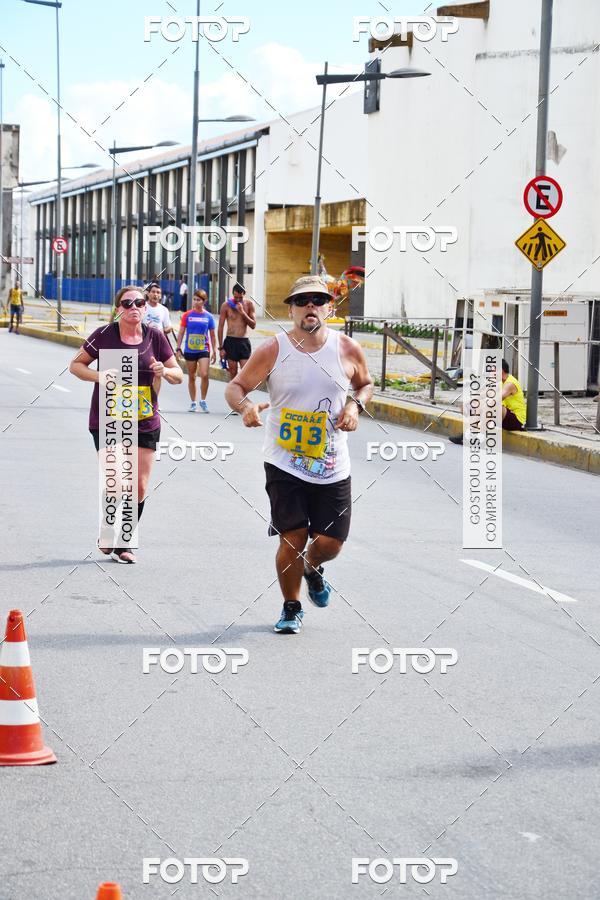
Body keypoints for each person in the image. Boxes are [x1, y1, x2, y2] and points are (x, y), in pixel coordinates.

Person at [225, 275, 373, 634]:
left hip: (332, 464)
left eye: (318, 300)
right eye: (302, 300)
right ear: (290, 309)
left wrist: (354, 406)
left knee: (331, 543)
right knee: (293, 536)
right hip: (284, 460)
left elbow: (366, 384)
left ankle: (312, 567)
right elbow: (236, 386)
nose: (311, 306)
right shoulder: (274, 349)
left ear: (329, 308)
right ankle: (291, 607)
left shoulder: (347, 348)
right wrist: (245, 407)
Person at [69, 286, 183, 563]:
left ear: (146, 307)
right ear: (118, 308)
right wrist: (100, 376)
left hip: (145, 419)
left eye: (139, 302)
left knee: (139, 486)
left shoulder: (154, 336)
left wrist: (164, 371)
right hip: (108, 419)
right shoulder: (104, 335)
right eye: (127, 302)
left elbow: (178, 374)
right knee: (117, 481)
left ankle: (124, 541)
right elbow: (76, 365)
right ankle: (107, 529)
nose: (134, 306)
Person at [449, 358, 526, 444]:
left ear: (500, 371)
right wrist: (469, 402)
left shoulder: (510, 384)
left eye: (492, 371)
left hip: (516, 421)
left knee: (490, 404)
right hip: (503, 418)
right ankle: (469, 434)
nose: (490, 374)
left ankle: (481, 436)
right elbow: (484, 393)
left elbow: (496, 399)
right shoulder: (501, 382)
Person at [176, 289, 216, 412]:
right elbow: (181, 332)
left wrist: (214, 350)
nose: (195, 302)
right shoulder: (187, 315)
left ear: (204, 301)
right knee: (192, 376)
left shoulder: (209, 317)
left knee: (204, 374)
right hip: (190, 350)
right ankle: (193, 402)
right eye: (194, 299)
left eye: (198, 300)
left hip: (204, 349)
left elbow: (212, 335)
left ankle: (203, 400)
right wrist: (178, 348)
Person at [218, 282, 256, 380]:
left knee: (245, 373)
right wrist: (221, 347)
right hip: (231, 341)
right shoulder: (226, 306)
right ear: (233, 294)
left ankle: (243, 394)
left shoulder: (249, 305)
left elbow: (253, 325)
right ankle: (233, 394)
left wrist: (243, 313)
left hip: (243, 341)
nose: (238, 300)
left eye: (240, 298)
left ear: (244, 294)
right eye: (236, 297)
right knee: (233, 372)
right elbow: (220, 326)